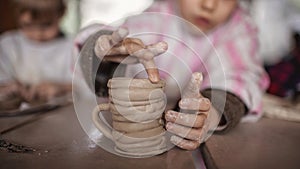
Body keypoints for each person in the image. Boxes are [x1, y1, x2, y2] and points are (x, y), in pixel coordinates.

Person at [75, 0, 269, 150]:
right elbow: (117, 39)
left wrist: (210, 112)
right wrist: (104, 52)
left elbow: (241, 75)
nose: (209, 5)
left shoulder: (238, 28)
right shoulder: (157, 16)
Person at [0, 0, 73, 103]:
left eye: (46, 25)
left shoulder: (71, 47)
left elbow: (86, 88)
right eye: (28, 25)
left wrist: (62, 88)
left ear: (61, 14)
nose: (37, 33)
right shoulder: (8, 44)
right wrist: (8, 88)